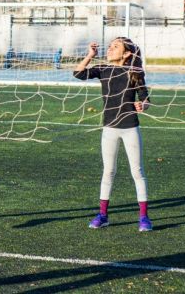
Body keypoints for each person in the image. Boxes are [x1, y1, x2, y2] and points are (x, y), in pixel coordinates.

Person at [74, 37, 152, 232]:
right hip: (109, 128)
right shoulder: (103, 69)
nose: (110, 49)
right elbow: (78, 73)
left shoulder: (134, 73)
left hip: (130, 128)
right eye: (109, 46)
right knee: (108, 171)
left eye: (115, 47)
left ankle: (144, 218)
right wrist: (90, 55)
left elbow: (146, 98)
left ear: (126, 54)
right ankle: (103, 215)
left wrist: (143, 106)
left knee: (137, 172)